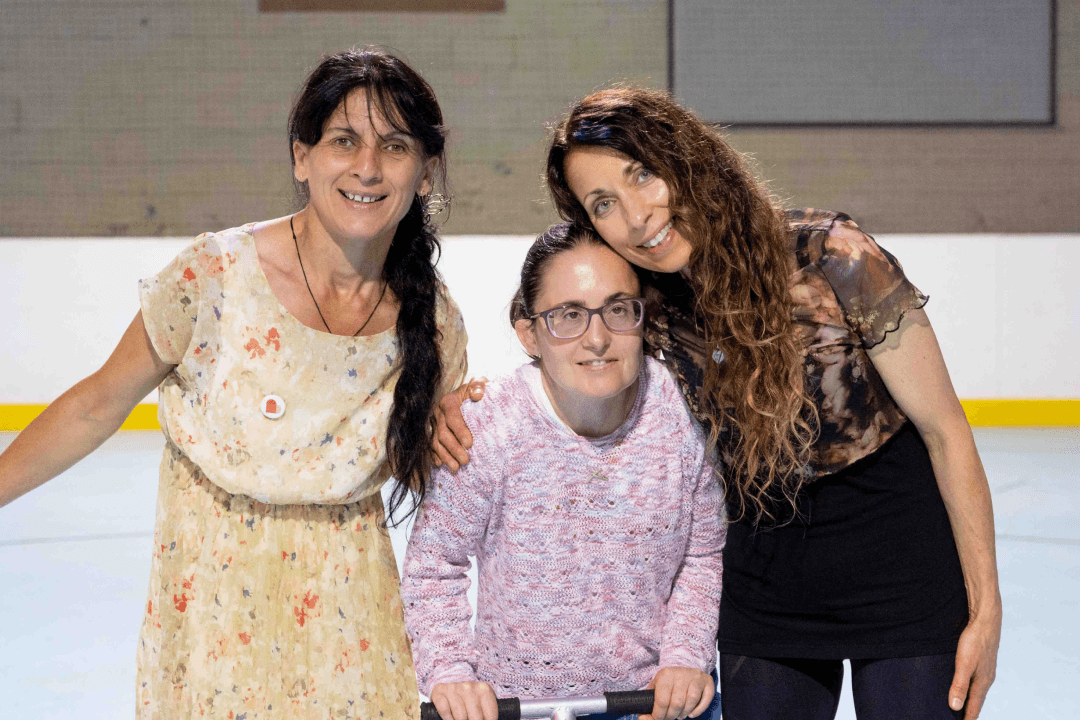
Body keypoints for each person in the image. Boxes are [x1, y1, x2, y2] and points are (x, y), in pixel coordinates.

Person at [436, 88, 1000, 720]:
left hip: (901, 571)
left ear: (687, 160)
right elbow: (569, 342)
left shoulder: (833, 256)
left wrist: (986, 610)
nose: (638, 216)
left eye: (642, 175)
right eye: (604, 204)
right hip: (761, 581)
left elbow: (947, 432)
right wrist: (463, 403)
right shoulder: (646, 309)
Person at [0, 48, 467, 719]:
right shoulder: (213, 277)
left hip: (352, 634)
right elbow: (95, 407)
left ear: (424, 172)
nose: (367, 167)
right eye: (344, 141)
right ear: (301, 157)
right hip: (211, 621)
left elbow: (440, 482)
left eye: (394, 146)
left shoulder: (433, 323)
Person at [403, 223, 725, 720]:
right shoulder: (486, 428)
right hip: (516, 708)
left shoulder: (681, 413)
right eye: (569, 316)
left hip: (653, 704)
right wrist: (451, 673)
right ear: (529, 332)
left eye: (618, 309)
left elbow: (702, 552)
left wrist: (685, 658)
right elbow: (434, 566)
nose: (597, 339)